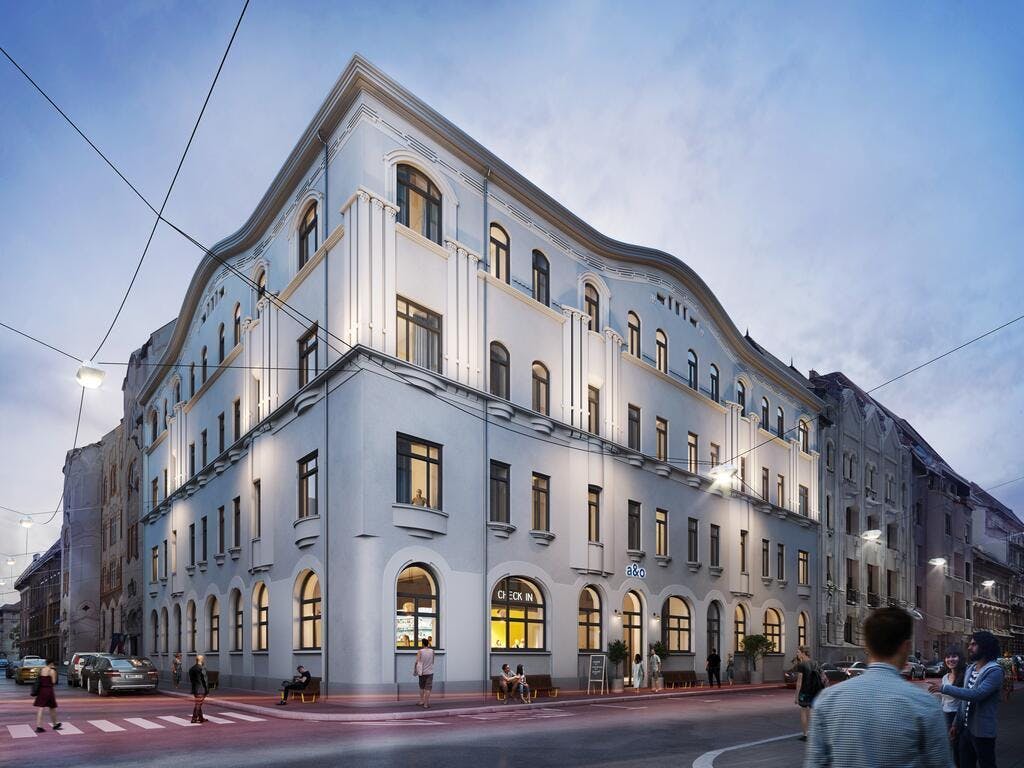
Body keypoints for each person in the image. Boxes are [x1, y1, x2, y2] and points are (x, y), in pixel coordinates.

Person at [804, 607, 951, 768]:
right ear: (906, 647)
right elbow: (941, 764)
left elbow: (815, 763)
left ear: (867, 646)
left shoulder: (828, 700)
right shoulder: (924, 704)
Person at [930, 631, 1004, 768]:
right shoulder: (971, 669)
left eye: (974, 644)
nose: (969, 647)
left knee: (987, 764)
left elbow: (976, 694)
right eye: (970, 644)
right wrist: (955, 724)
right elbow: (964, 702)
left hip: (982, 732)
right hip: (965, 729)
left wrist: (944, 688)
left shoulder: (994, 670)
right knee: (964, 764)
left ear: (985, 646)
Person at [933, 647, 966, 768]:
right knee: (950, 748)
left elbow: (964, 700)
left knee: (958, 749)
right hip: (946, 715)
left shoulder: (965, 676)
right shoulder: (945, 677)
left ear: (960, 658)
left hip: (958, 715)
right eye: (948, 657)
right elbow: (943, 700)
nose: (950, 659)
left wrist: (956, 722)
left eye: (954, 656)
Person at [794, 646, 824, 742]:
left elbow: (799, 681)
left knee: (803, 711)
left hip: (804, 691)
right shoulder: (815, 663)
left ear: (803, 653)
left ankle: (805, 734)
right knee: (812, 712)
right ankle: (813, 734)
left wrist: (796, 696)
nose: (797, 654)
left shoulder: (802, 665)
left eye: (798, 652)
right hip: (815, 691)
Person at [33, 659, 61, 733]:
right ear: (51, 663)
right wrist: (55, 671)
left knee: (41, 708)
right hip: (49, 690)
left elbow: (40, 679)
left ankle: (39, 726)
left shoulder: (41, 670)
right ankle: (55, 724)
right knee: (52, 707)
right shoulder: (52, 671)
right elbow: (54, 681)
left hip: (41, 691)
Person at [414, 638, 435, 709]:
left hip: (422, 672)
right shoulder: (432, 651)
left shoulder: (420, 651)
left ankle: (421, 701)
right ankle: (426, 704)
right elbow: (433, 661)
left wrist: (415, 670)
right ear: (428, 644)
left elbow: (417, 662)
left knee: (421, 687)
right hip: (430, 672)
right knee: (428, 688)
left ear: (422, 644)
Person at [188, 654, 209, 724]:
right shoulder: (202, 668)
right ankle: (194, 718)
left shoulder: (191, 668)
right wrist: (207, 690)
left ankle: (201, 718)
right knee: (198, 704)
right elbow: (205, 680)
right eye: (203, 660)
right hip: (201, 689)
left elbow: (191, 680)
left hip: (195, 688)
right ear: (202, 660)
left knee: (199, 703)